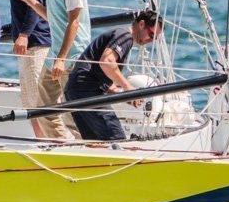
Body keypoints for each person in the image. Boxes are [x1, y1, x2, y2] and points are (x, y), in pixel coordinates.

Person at [11, 0, 89, 140]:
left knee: (73, 111)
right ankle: (60, 145)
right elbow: (52, 17)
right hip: (55, 54)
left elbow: (74, 21)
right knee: (43, 107)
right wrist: (30, 0)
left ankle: (87, 148)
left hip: (71, 56)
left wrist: (62, 58)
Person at [64, 9, 160, 142]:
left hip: (76, 89)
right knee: (116, 137)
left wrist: (120, 93)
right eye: (151, 34)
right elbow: (107, 62)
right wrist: (128, 87)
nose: (151, 40)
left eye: (155, 38)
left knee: (94, 142)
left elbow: (98, 70)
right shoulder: (125, 36)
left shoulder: (122, 36)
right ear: (142, 24)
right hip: (86, 90)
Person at [7, 0, 52, 138]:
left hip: (35, 45)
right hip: (29, 46)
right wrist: (11, 30)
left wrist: (24, 34)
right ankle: (41, 142)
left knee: (37, 102)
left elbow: (34, 7)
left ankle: (50, 144)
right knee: (30, 104)